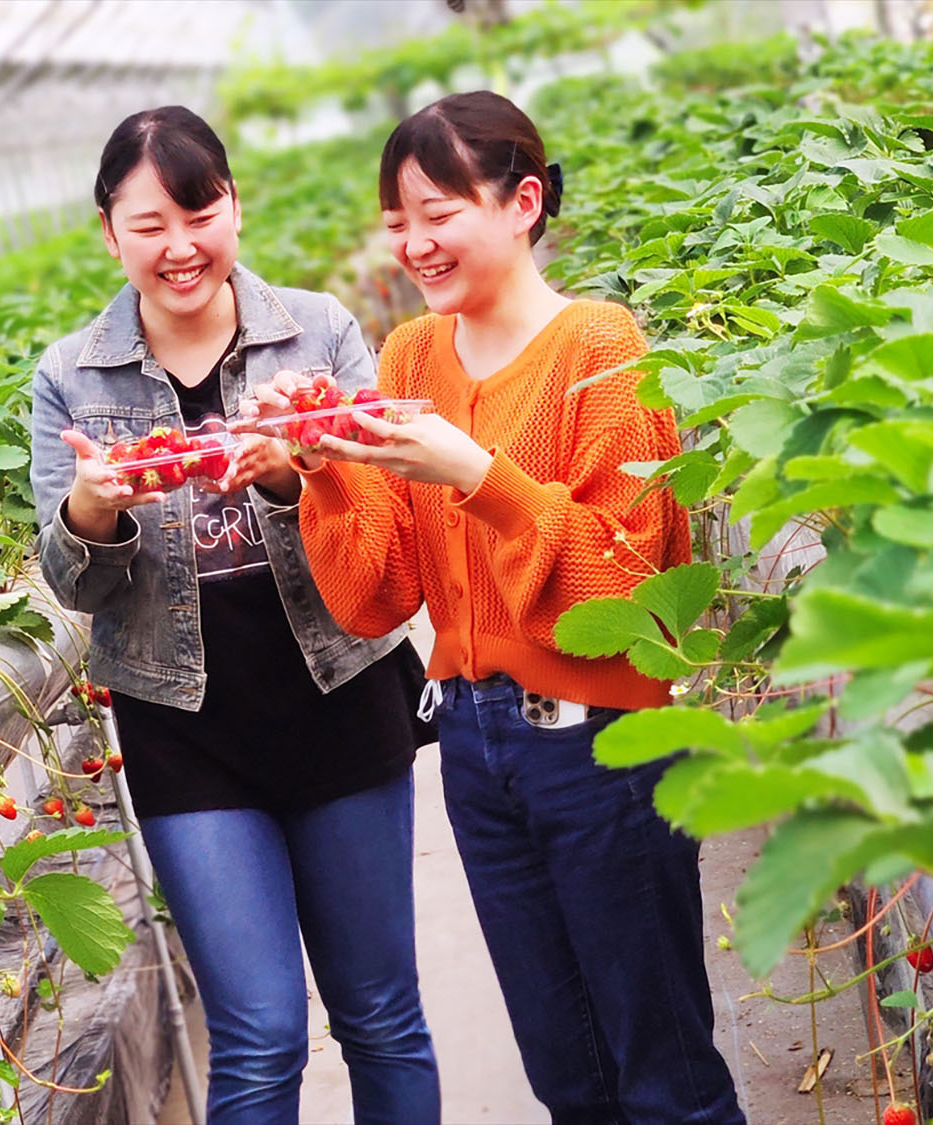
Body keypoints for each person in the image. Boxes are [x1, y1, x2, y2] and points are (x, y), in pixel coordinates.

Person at [244, 90, 745, 1124]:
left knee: (661, 1072)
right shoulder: (409, 360)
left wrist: (475, 472)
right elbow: (373, 596)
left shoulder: (597, 350)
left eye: (437, 212)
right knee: (565, 1077)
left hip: (604, 748)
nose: (413, 244)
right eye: (395, 222)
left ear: (521, 202)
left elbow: (624, 586)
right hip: (475, 751)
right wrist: (311, 479)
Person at [28, 105, 439, 1125]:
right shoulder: (70, 378)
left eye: (197, 211)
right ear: (106, 231)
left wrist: (291, 483)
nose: (179, 247)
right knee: (257, 1033)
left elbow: (382, 524)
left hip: (338, 693)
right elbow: (72, 584)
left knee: (380, 1013)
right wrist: (92, 511)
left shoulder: (320, 332)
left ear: (232, 206)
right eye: (147, 223)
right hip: (186, 731)